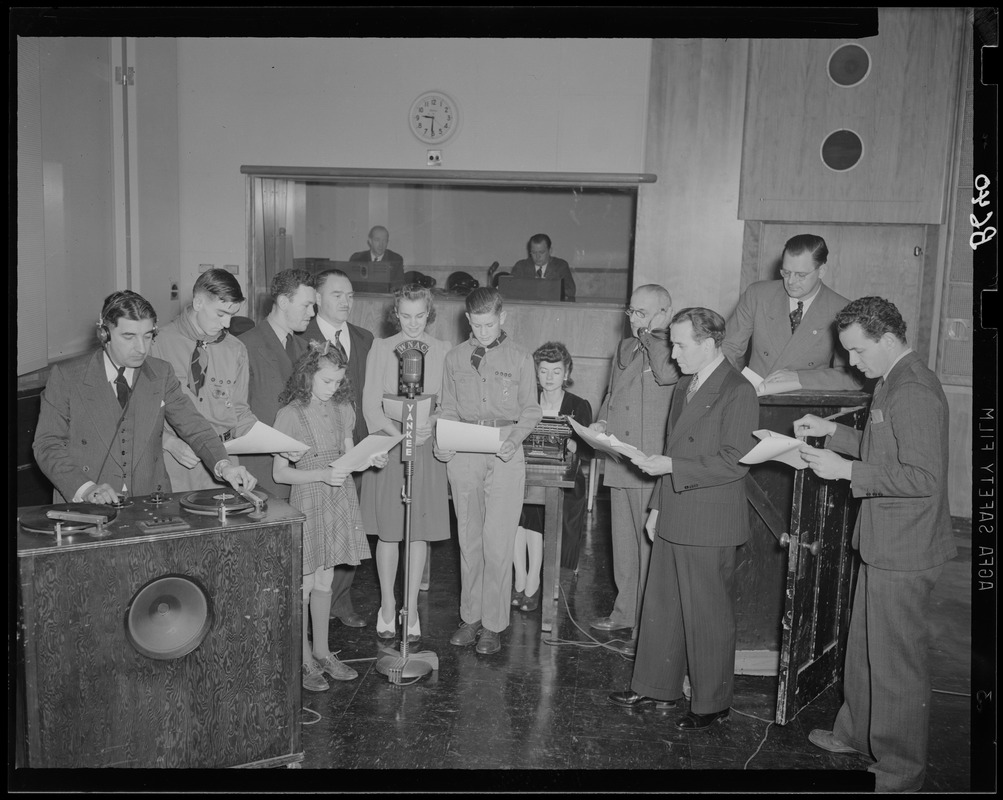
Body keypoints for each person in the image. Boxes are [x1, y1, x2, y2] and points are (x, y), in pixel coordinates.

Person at [796, 296, 954, 793]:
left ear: (887, 340)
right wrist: (833, 433)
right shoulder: (891, 380)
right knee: (866, 649)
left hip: (905, 549)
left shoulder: (913, 390)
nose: (854, 364)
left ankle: (900, 772)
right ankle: (858, 736)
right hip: (885, 542)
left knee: (897, 665)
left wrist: (846, 471)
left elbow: (923, 476)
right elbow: (884, 447)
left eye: (859, 352)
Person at [608, 307, 758, 732]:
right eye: (671, 343)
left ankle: (712, 702)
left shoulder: (738, 390)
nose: (672, 354)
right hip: (675, 508)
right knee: (661, 606)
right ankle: (655, 685)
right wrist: (657, 504)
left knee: (707, 613)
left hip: (710, 518)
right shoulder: (687, 386)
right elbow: (670, 448)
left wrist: (671, 469)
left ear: (708, 344)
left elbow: (735, 462)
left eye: (679, 344)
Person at [33, 290, 257, 505]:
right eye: (129, 337)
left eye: (148, 336)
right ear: (104, 334)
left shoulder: (161, 373)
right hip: (87, 505)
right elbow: (47, 445)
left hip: (150, 503)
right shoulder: (67, 376)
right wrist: (86, 488)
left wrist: (224, 465)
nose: (141, 348)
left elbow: (195, 426)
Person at [272, 341, 388, 692]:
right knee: (306, 583)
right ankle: (303, 660)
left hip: (338, 498)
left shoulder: (343, 409)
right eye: (326, 382)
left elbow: (350, 456)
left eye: (338, 382)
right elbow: (281, 474)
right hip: (309, 496)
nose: (333, 389)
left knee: (324, 580)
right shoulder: (290, 414)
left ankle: (322, 652)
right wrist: (321, 474)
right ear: (307, 376)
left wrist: (370, 459)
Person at [436, 287, 542, 655]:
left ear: (503, 317)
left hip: (505, 451)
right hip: (464, 451)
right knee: (469, 540)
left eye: (489, 324)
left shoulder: (520, 358)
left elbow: (531, 409)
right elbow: (447, 408)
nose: (483, 332)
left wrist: (516, 438)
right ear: (468, 320)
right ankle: (471, 618)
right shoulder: (453, 358)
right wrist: (443, 439)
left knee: (498, 542)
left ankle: (494, 624)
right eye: (476, 325)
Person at [588, 284, 679, 657]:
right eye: (631, 312)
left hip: (648, 460)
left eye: (643, 312)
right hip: (619, 455)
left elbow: (664, 374)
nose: (633, 319)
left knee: (646, 546)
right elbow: (613, 392)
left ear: (665, 313)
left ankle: (646, 624)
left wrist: (652, 333)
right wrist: (601, 421)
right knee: (622, 543)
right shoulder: (625, 348)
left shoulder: (671, 348)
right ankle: (624, 612)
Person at [361, 284, 452, 643]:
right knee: (389, 530)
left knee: (417, 532)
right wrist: (397, 433)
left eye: (420, 316)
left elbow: (449, 403)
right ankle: (387, 605)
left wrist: (430, 426)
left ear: (428, 314)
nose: (413, 324)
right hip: (389, 443)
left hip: (426, 445)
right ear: (395, 314)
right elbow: (370, 403)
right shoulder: (381, 348)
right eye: (405, 316)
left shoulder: (443, 351)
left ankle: (410, 609)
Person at [301, 268, 374, 629]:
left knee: (347, 525)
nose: (345, 301)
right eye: (336, 294)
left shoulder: (364, 338)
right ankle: (311, 602)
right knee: (317, 529)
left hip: (354, 444)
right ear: (317, 297)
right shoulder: (301, 338)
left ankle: (340, 601)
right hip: (316, 448)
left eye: (349, 295)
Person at [151, 268, 258, 491]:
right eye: (220, 314)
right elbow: (140, 413)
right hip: (176, 461)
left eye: (232, 315)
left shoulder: (236, 350)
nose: (227, 324)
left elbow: (239, 411)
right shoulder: (157, 343)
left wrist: (276, 443)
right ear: (199, 303)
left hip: (223, 463)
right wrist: (169, 443)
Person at [723, 233, 861, 392]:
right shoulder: (757, 295)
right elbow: (729, 349)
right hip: (754, 399)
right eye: (786, 273)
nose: (791, 282)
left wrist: (799, 378)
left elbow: (853, 378)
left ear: (821, 270)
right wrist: (736, 387)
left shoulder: (842, 309)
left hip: (808, 404)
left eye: (801, 275)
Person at [512, 341, 593, 613]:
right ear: (536, 372)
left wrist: (574, 446)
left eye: (556, 372)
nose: (549, 378)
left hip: (565, 480)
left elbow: (588, 449)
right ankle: (520, 577)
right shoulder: (526, 400)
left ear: (567, 372)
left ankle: (533, 579)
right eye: (544, 371)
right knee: (515, 504)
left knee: (533, 508)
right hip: (526, 474)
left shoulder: (578, 405)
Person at [239, 269, 316, 500]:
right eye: (306, 305)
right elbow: (237, 413)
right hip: (262, 477)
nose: (312, 313)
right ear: (283, 302)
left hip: (302, 478)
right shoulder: (244, 347)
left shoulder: (306, 349)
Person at [511, 233, 577, 302]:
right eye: (533, 252)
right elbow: (510, 290)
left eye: (541, 252)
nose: (537, 256)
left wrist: (545, 288)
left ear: (550, 251)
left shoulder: (560, 266)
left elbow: (570, 291)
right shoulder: (521, 266)